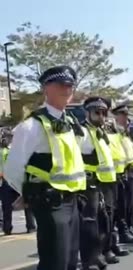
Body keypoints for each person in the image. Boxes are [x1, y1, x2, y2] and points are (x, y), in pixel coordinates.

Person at [4, 66, 87, 270]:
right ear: (45, 89)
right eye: (60, 84)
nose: (66, 89)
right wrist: (28, 193)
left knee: (69, 262)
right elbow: (13, 168)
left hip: (73, 200)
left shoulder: (71, 122)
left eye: (70, 85)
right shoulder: (32, 126)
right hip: (50, 202)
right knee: (54, 262)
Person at [77, 96, 118, 269]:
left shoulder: (101, 132)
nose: (101, 115)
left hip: (106, 181)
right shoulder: (82, 131)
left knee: (106, 219)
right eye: (97, 112)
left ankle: (103, 251)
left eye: (104, 112)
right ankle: (90, 259)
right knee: (89, 222)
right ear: (88, 112)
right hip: (89, 181)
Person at [111, 104, 133, 236]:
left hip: (130, 170)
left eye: (127, 115)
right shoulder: (113, 131)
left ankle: (129, 227)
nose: (126, 118)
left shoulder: (127, 132)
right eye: (123, 114)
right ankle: (123, 231)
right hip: (119, 172)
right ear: (116, 116)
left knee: (130, 202)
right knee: (122, 205)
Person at [0, 128, 36, 235]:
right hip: (9, 180)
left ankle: (30, 226)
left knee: (25, 203)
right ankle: (8, 228)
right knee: (8, 205)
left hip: (15, 179)